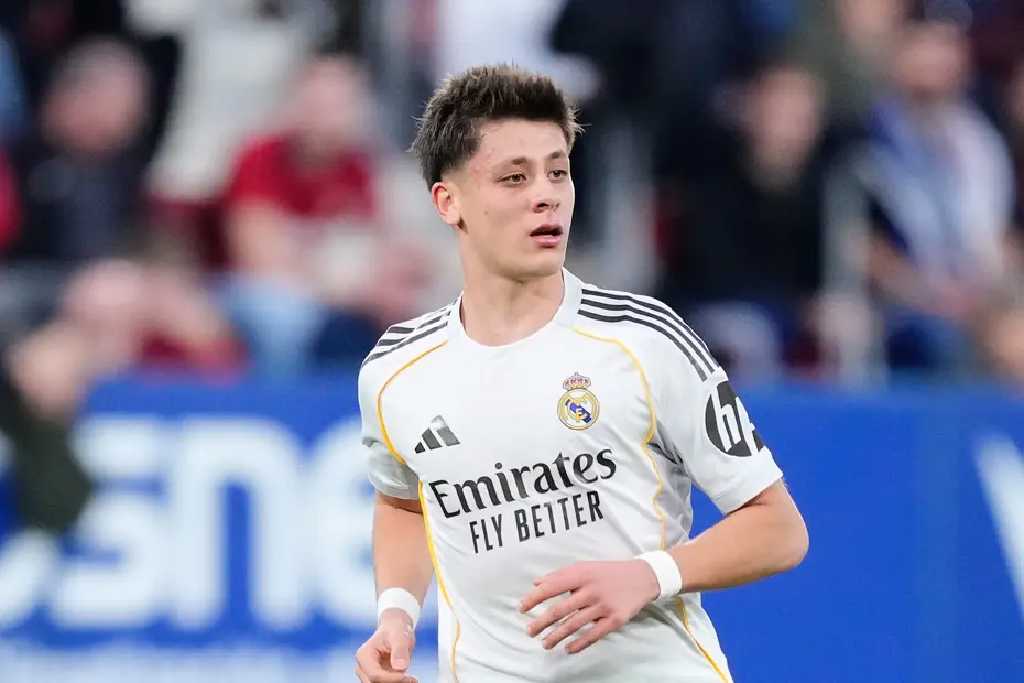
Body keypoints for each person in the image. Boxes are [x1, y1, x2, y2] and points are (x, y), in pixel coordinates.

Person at [354, 65, 808, 683]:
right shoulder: (395, 371)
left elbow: (779, 528)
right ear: (448, 201)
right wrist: (397, 613)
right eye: (514, 177)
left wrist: (649, 575)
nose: (546, 195)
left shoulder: (643, 339)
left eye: (558, 171)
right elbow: (403, 503)